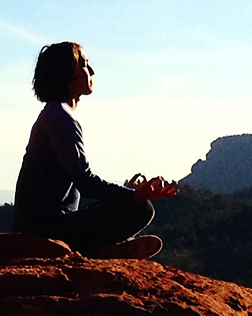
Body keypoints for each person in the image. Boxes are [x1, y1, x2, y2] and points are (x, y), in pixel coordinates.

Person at [11, 42, 178, 259]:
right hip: (44, 232)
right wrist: (134, 194)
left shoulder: (55, 114)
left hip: (45, 225)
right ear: (67, 72)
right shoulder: (60, 117)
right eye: (85, 64)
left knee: (129, 202)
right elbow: (86, 182)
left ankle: (104, 249)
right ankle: (99, 251)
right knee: (140, 209)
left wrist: (123, 193)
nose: (92, 71)